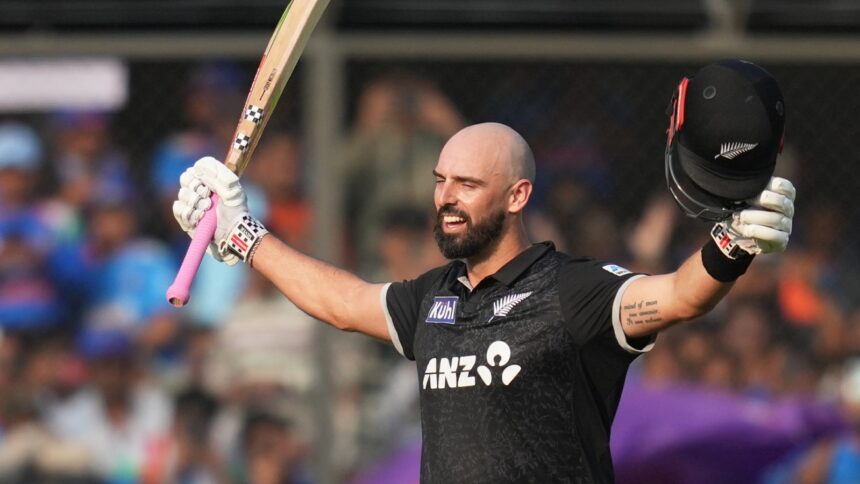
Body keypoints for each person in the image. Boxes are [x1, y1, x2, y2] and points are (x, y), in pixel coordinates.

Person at [172, 70, 795, 481]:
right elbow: (343, 301)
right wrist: (245, 236)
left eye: (467, 185)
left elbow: (680, 296)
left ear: (518, 195)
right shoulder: (433, 299)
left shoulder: (572, 290)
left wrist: (733, 244)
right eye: (440, 181)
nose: (446, 197)